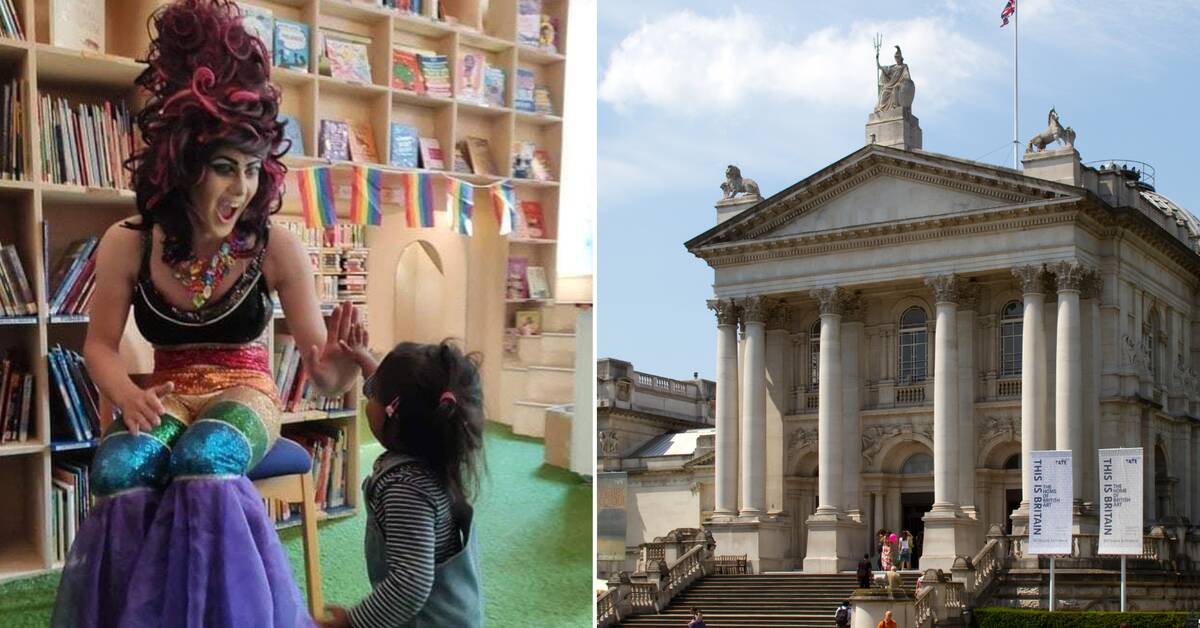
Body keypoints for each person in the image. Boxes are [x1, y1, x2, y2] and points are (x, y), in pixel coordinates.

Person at [52, 1, 362, 625]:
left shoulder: (277, 246)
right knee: (118, 463)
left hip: (246, 390)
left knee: (206, 455)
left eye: (251, 171)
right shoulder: (127, 240)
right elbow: (99, 348)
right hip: (165, 392)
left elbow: (321, 371)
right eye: (225, 168)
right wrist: (125, 395)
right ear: (184, 162)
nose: (241, 189)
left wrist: (345, 368)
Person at [318, 336, 485, 627]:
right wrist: (362, 358)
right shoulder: (434, 448)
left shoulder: (405, 489)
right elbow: (393, 397)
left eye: (374, 395)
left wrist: (353, 622)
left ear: (391, 412)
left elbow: (410, 584)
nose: (368, 399)